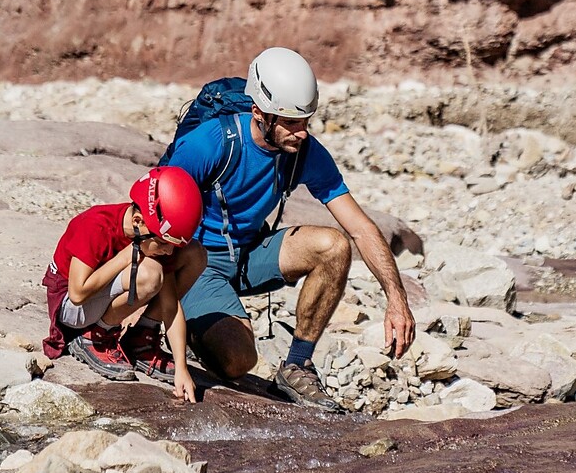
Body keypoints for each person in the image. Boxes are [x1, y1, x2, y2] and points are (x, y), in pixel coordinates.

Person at [170, 47, 416, 410]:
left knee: (334, 246)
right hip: (195, 263)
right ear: (259, 113)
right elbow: (153, 213)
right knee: (239, 362)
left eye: (306, 122)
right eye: (290, 123)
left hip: (249, 253)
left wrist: (397, 299)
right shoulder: (209, 143)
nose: (301, 134)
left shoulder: (302, 151)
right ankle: (188, 325)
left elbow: (361, 227)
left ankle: (298, 365)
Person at [42, 166, 206, 403]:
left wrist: (182, 367)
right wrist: (125, 257)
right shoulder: (95, 225)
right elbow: (77, 294)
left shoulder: (153, 235)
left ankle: (140, 339)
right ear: (138, 221)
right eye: (163, 243)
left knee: (194, 253)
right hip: (70, 309)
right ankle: (94, 337)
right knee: (150, 274)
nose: (168, 250)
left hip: (96, 299)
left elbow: (171, 306)